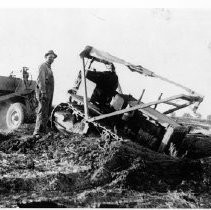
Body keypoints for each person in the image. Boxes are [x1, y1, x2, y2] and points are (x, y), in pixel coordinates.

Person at [33, 50, 57, 137]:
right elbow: (40, 80)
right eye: (50, 57)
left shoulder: (49, 68)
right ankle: (36, 132)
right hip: (43, 92)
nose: (52, 59)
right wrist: (43, 92)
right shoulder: (43, 66)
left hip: (49, 92)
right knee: (41, 110)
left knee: (46, 111)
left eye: (53, 57)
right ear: (46, 57)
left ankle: (43, 131)